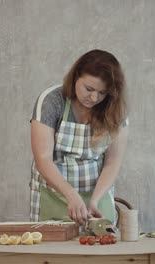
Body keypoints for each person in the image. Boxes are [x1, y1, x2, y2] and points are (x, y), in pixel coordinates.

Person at [29, 49, 128, 226]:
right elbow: (43, 159)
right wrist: (71, 195)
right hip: (54, 196)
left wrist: (95, 200)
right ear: (75, 77)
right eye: (89, 89)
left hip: (96, 196)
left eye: (103, 92)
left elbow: (113, 162)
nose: (94, 97)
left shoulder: (115, 108)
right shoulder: (52, 101)